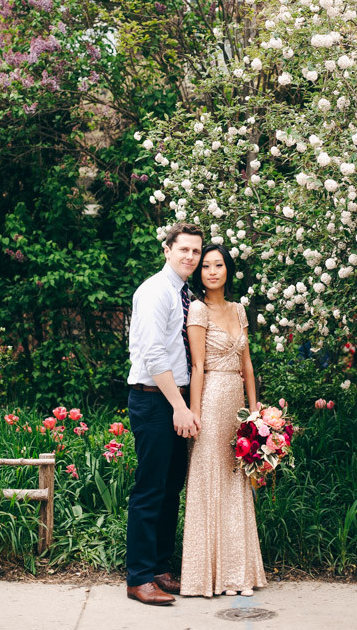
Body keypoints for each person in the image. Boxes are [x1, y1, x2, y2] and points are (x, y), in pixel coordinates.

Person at [180, 243, 267, 598]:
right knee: (212, 479)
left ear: (227, 270)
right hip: (212, 398)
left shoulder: (239, 309)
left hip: (237, 403)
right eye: (206, 266)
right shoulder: (198, 310)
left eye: (218, 265)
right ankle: (210, 577)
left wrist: (256, 412)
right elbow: (198, 366)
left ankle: (238, 573)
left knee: (237, 481)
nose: (212, 271)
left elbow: (247, 365)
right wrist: (195, 413)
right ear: (200, 274)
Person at [126, 222, 204, 606]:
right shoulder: (156, 291)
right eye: (183, 249)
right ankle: (138, 578)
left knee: (170, 488)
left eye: (195, 251)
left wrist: (185, 404)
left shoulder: (183, 292)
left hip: (174, 399)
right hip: (155, 400)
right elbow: (154, 355)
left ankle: (159, 568)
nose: (190, 256)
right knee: (150, 490)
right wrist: (179, 406)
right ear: (167, 250)